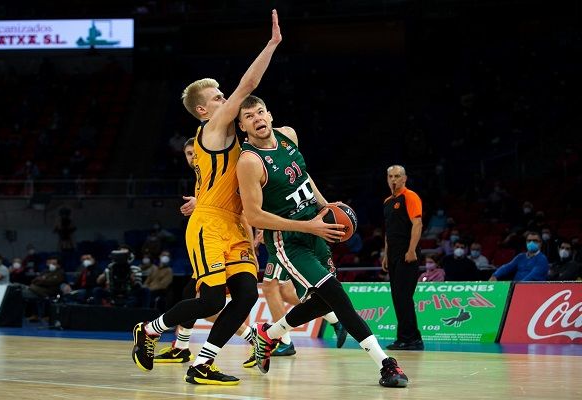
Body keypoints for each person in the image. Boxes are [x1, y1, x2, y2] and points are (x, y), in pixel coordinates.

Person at [131, 10, 282, 386]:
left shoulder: (229, 136)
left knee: (246, 296)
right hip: (210, 225)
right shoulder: (212, 128)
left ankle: (202, 364)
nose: (226, 99)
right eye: (218, 97)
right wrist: (272, 44)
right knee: (212, 300)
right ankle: (149, 330)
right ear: (203, 110)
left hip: (233, 221)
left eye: (222, 95)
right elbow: (248, 85)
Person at [236, 95, 408, 388]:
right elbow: (254, 215)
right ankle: (386, 364)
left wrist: (327, 207)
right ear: (242, 127)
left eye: (260, 112)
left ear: (270, 115)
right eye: (249, 117)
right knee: (337, 296)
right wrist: (308, 226)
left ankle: (268, 335)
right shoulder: (249, 161)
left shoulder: (288, 136)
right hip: (289, 241)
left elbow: (304, 177)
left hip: (315, 227)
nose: (257, 119)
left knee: (321, 302)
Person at [153, 137, 258, 368]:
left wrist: (251, 249)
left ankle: (255, 337)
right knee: (192, 294)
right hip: (214, 237)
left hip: (229, 239)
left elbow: (240, 210)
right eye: (188, 154)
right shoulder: (203, 178)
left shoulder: (221, 169)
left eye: (195, 153)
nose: (192, 158)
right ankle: (181, 347)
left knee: (211, 301)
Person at [382, 165, 424, 351]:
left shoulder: (410, 196)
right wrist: (386, 254)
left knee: (404, 296)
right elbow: (389, 231)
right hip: (393, 255)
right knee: (398, 297)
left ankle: (411, 339)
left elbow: (417, 223)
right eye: (391, 176)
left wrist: (411, 250)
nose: (394, 179)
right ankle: (406, 338)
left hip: (407, 254)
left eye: (397, 176)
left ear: (404, 178)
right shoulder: (387, 202)